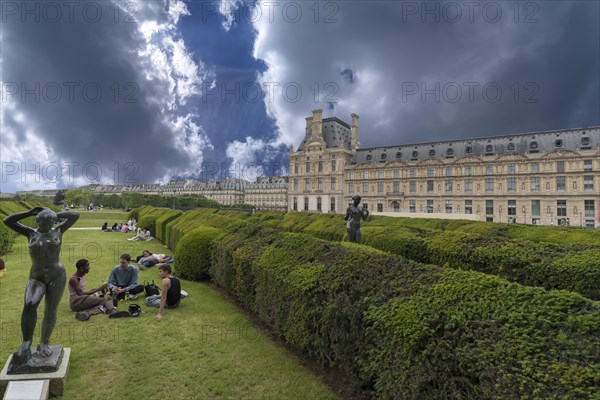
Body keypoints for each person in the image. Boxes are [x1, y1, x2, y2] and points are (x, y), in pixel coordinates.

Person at [3, 207, 79, 369]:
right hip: (36, 277)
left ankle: (44, 343)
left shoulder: (58, 230)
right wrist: (30, 212)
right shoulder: (30, 233)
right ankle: (26, 342)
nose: (50, 224)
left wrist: (53, 214)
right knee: (30, 304)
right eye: (45, 221)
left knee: (50, 311)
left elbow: (75, 215)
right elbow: (8, 220)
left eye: (51, 221)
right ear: (38, 221)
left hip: (57, 275)